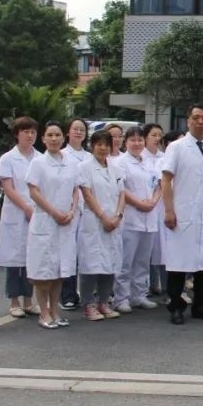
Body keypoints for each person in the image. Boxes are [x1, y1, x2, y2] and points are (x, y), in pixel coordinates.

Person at [161, 104, 203, 325]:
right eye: (196, 118)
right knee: (179, 264)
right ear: (188, 121)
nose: (200, 122)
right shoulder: (176, 147)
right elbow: (166, 179)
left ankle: (200, 305)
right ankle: (176, 307)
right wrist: (169, 210)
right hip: (183, 213)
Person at [26, 121, 81, 329]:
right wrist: (54, 212)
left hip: (65, 222)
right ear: (43, 139)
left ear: (63, 137)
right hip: (45, 221)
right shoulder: (38, 163)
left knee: (60, 271)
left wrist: (71, 211)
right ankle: (44, 312)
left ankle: (55, 311)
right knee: (43, 272)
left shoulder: (71, 162)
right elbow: (34, 191)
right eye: (49, 135)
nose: (54, 138)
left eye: (57, 135)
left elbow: (76, 189)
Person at [77, 130, 125, 322]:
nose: (102, 147)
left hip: (114, 221)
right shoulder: (84, 167)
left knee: (110, 263)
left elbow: (122, 194)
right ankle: (88, 304)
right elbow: (87, 195)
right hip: (94, 222)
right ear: (92, 145)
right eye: (98, 144)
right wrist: (104, 217)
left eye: (106, 144)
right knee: (91, 265)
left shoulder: (115, 168)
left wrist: (118, 216)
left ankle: (104, 302)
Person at [113, 126, 161, 313]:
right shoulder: (120, 163)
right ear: (126, 142)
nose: (137, 143)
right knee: (126, 260)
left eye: (140, 140)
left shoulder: (149, 162)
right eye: (132, 140)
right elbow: (121, 189)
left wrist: (153, 201)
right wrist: (138, 203)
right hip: (131, 217)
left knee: (142, 260)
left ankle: (139, 295)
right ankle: (121, 298)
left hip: (149, 217)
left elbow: (159, 185)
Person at [0, 116, 39, 318]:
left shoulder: (40, 158)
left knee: (32, 258)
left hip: (37, 213)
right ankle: (14, 300)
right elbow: (8, 188)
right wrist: (26, 208)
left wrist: (35, 209)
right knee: (14, 260)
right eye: (26, 132)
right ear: (17, 134)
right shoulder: (7, 159)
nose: (30, 136)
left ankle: (29, 300)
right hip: (15, 213)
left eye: (32, 132)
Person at [59, 117, 91, 311]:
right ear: (67, 132)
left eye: (82, 130)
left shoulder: (90, 156)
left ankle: (88, 294)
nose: (78, 132)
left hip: (89, 210)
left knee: (87, 252)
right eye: (75, 129)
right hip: (70, 210)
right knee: (69, 254)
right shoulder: (61, 155)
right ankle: (68, 295)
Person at [143, 123, 168, 299]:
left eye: (160, 135)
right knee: (144, 251)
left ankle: (165, 287)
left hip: (160, 206)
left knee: (162, 249)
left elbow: (163, 183)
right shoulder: (139, 158)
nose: (157, 138)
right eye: (153, 135)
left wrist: (155, 200)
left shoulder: (165, 157)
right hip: (141, 208)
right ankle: (146, 286)